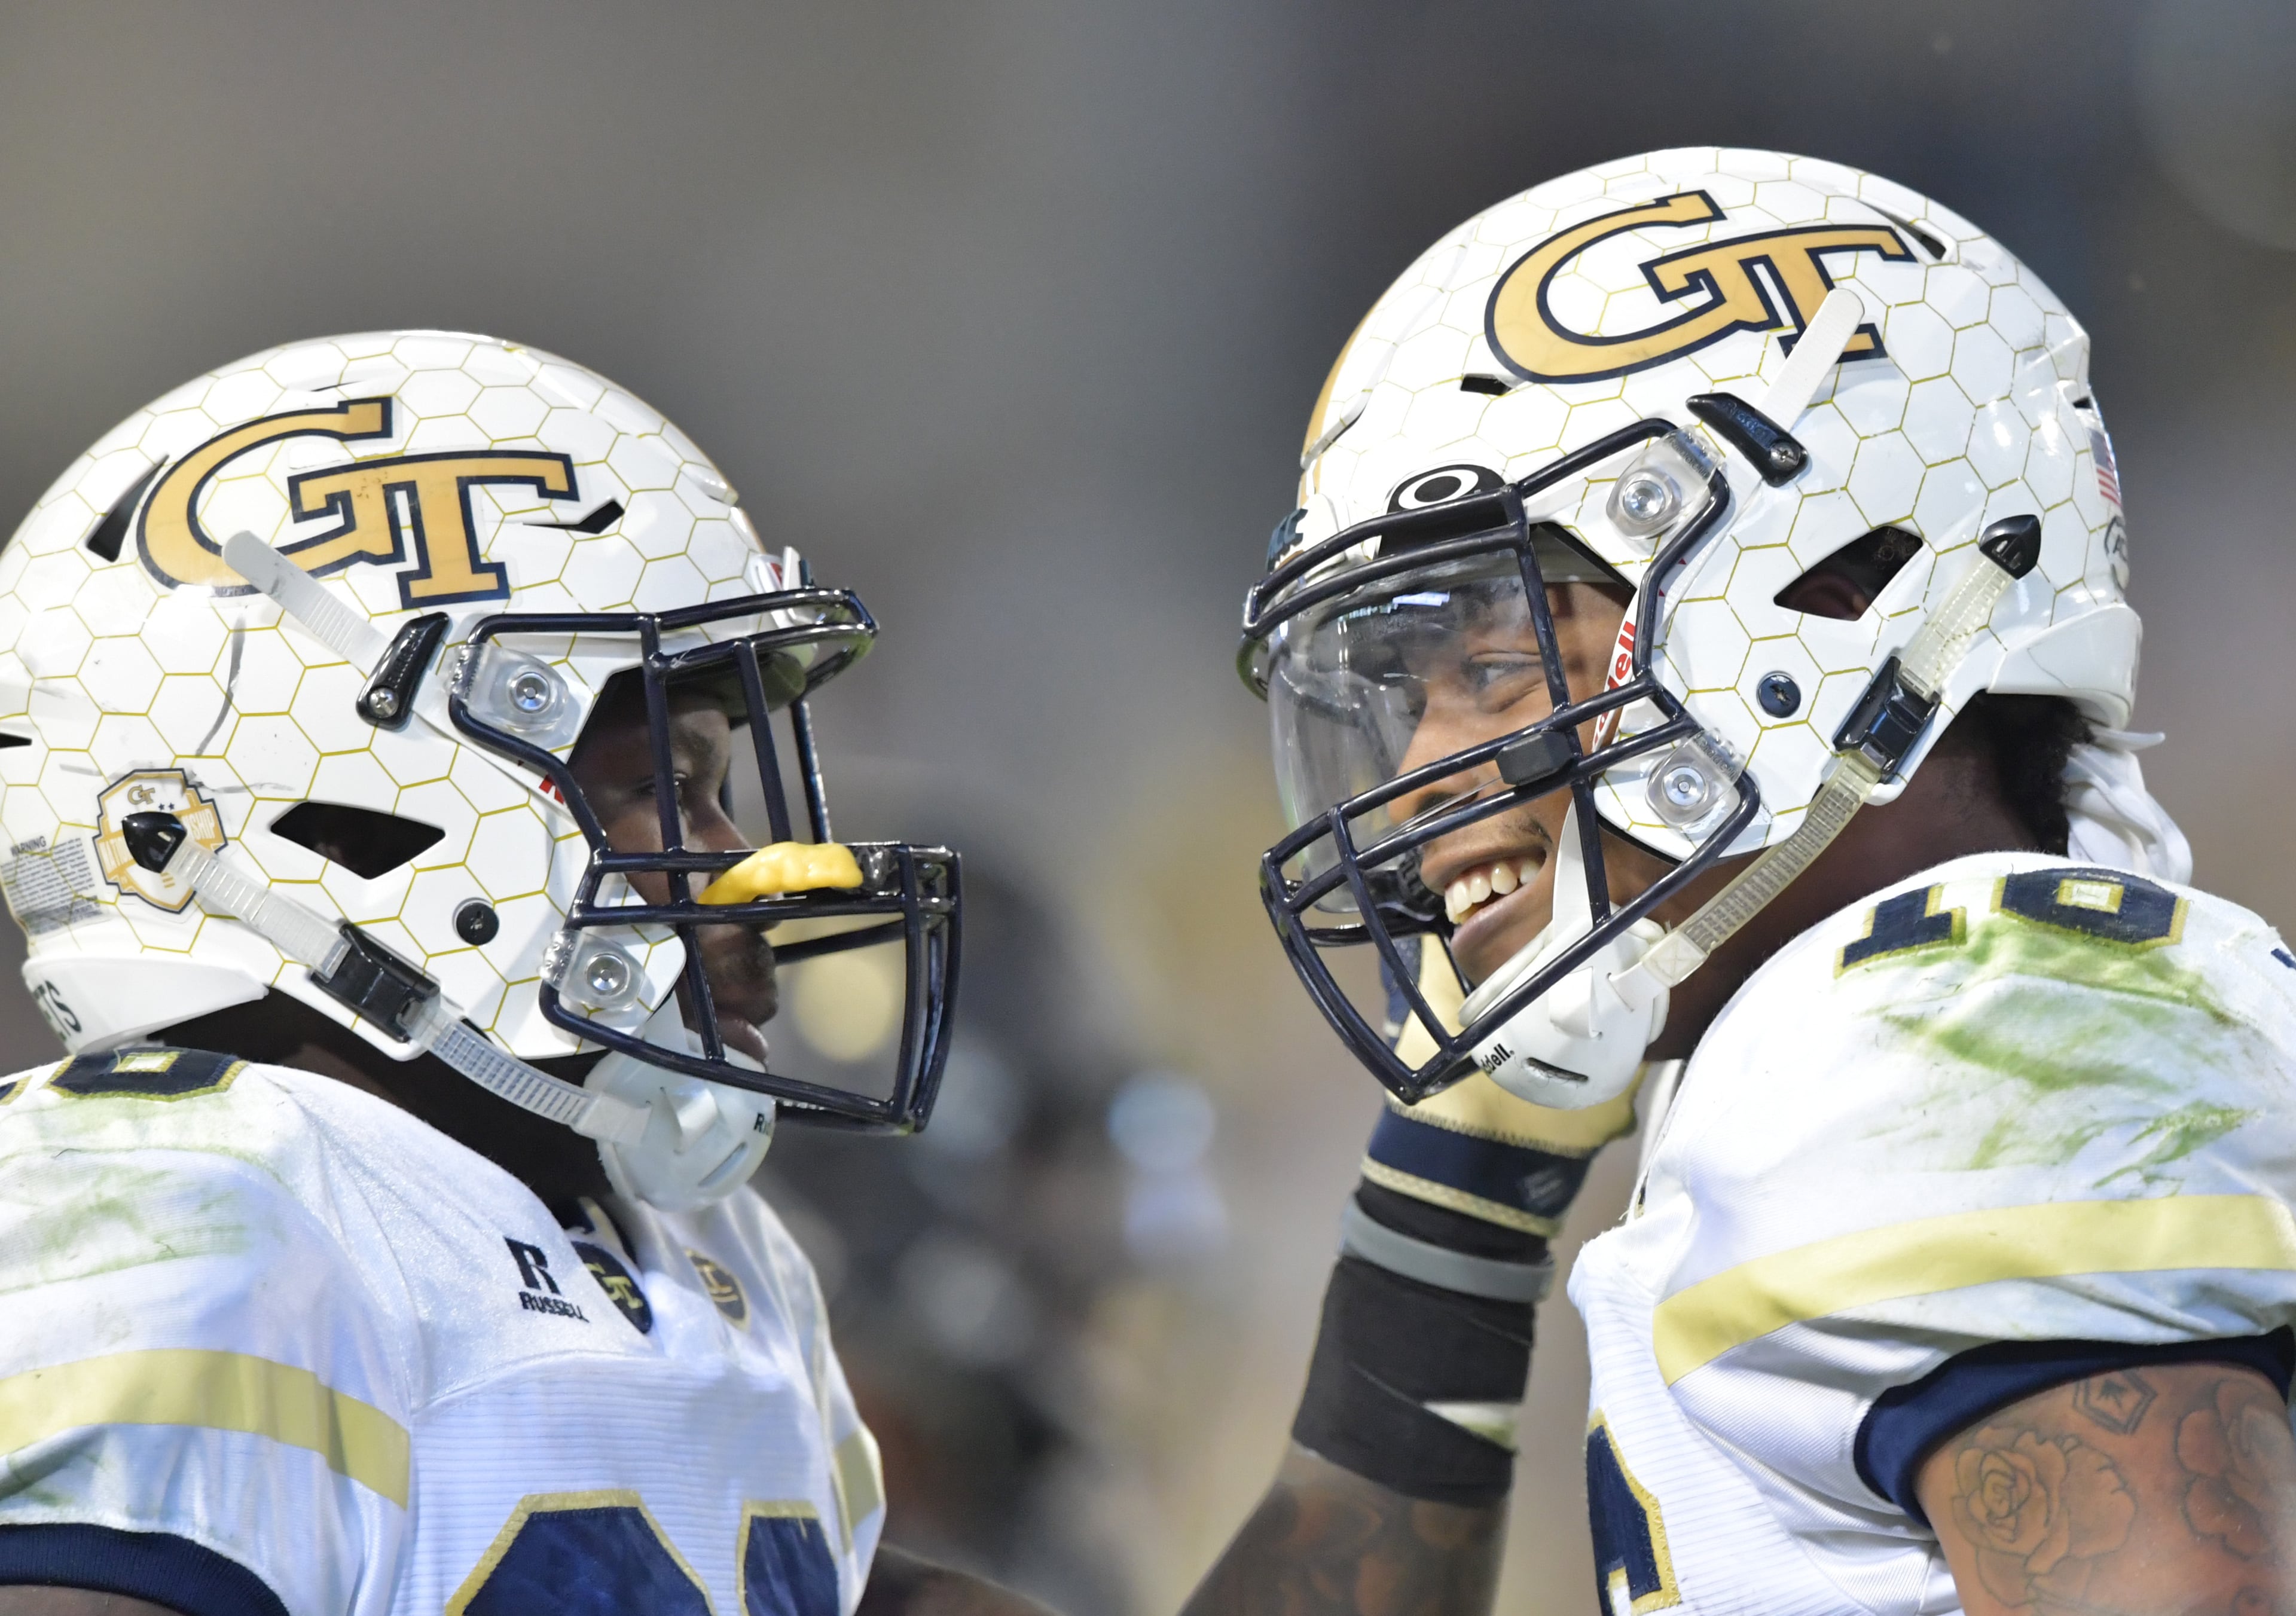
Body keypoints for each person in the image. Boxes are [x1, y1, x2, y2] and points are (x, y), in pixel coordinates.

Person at [1188, 148, 2296, 1614]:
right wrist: (1456, 1203)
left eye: (1498, 665)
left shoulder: (1963, 1034)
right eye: (1403, 697)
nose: (1430, 768)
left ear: (1834, 591)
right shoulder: (1913, 1024)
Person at [0, 332, 1050, 1615]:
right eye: (668, 784)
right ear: (341, 817)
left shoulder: (715, 1253)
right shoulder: (171, 1209)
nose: (751, 865)